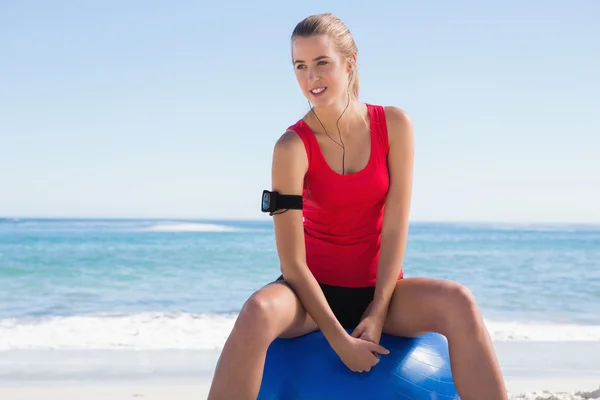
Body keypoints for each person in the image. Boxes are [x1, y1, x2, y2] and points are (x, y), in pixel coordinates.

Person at [207, 13, 508, 400]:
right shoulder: (291, 147)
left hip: (382, 291)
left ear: (349, 64)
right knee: (257, 313)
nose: (311, 78)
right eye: (300, 66)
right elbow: (292, 265)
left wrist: (378, 309)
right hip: (309, 297)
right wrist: (340, 341)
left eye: (321, 63)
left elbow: (396, 225)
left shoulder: (395, 125)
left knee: (460, 302)